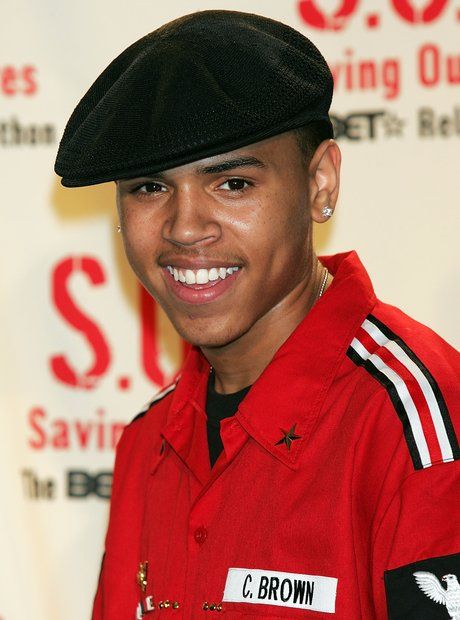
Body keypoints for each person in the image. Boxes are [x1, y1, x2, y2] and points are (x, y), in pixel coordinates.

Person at [54, 10, 460, 620]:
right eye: (148, 188)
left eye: (233, 183)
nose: (185, 227)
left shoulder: (418, 423)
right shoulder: (148, 444)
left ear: (320, 183)